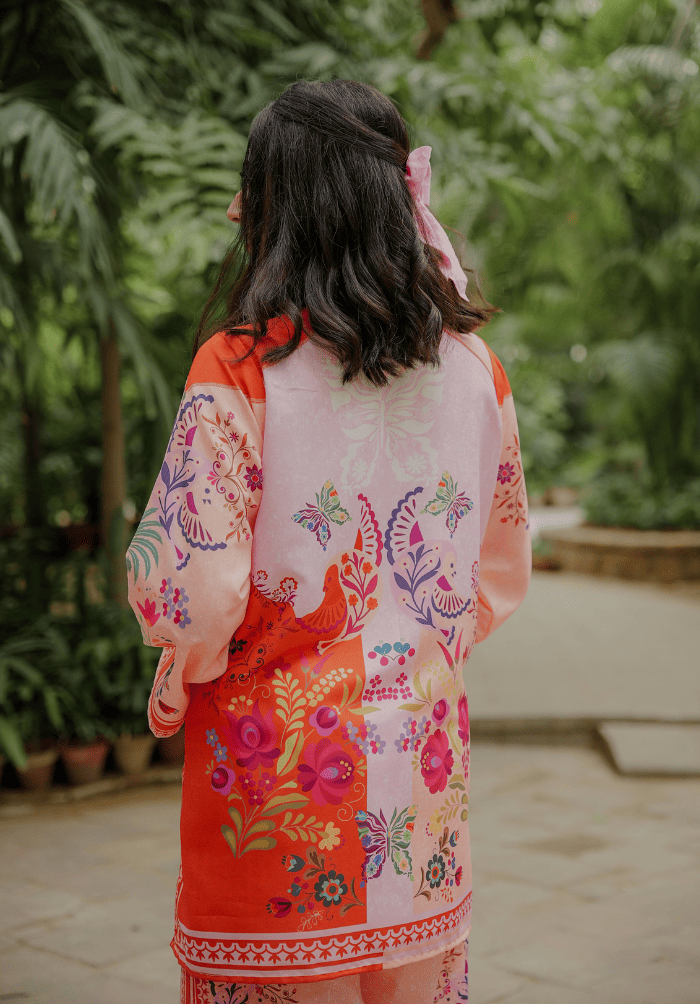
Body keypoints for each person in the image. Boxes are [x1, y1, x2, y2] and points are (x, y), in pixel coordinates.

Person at [126, 79, 531, 1004]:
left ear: (279, 206)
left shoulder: (239, 366)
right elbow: (501, 570)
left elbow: (190, 591)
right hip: (423, 776)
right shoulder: (477, 371)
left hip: (278, 780)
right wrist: (422, 650)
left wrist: (178, 670)